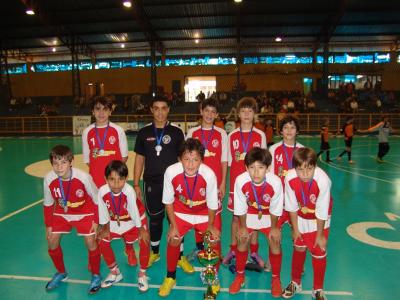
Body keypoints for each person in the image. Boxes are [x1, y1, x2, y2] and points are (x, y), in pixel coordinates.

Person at [133, 96, 193, 272]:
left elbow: (181, 159)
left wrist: (185, 183)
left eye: (163, 108)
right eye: (156, 108)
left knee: (177, 220)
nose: (160, 112)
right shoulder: (144, 133)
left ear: (168, 110)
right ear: (151, 110)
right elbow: (139, 158)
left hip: (174, 184)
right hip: (152, 181)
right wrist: (136, 184)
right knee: (155, 219)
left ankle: (180, 256)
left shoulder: (176, 132)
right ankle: (155, 252)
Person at [158, 138, 220, 297]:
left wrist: (211, 226)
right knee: (173, 238)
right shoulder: (171, 172)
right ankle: (170, 277)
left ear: (201, 160)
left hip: (205, 213)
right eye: (187, 159)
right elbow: (168, 202)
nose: (191, 164)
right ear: (180, 159)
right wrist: (173, 225)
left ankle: (213, 277)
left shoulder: (209, 174)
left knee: (213, 240)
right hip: (181, 212)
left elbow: (213, 204)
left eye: (195, 160)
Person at [43, 145, 101, 294]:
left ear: (71, 162)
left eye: (63, 162)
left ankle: (96, 275)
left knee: (90, 240)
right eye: (55, 163)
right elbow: (49, 204)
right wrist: (48, 225)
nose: (59, 167)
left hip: (85, 212)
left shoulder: (83, 177)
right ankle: (61, 272)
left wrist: (96, 221)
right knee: (51, 240)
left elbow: (96, 199)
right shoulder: (49, 178)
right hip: (62, 213)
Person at [229, 147, 283, 297]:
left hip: (269, 215)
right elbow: (240, 208)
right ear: (246, 168)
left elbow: (276, 208)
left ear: (268, 168)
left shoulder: (276, 182)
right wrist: (243, 227)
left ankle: (276, 279)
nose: (256, 172)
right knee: (242, 239)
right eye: (252, 167)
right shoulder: (240, 180)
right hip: (250, 213)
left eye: (261, 167)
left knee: (275, 240)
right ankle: (240, 276)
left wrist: (274, 228)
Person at [282, 148, 333, 300]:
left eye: (309, 169)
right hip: (300, 216)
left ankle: (318, 289)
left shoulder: (323, 180)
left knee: (319, 250)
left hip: (319, 219)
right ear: (294, 168)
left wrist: (320, 235)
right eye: (300, 170)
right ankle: (295, 282)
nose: (305, 174)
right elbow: (291, 206)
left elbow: (322, 211)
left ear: (315, 166)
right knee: (298, 247)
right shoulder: (290, 177)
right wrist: (295, 229)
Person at [223, 97, 267, 268]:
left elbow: (265, 162)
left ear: (254, 114)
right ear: (238, 114)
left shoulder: (260, 135)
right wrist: (225, 184)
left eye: (250, 111)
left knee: (254, 218)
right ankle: (233, 249)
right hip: (236, 185)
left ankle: (254, 252)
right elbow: (227, 161)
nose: (247, 114)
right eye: (243, 111)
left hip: (255, 184)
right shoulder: (232, 135)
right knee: (236, 218)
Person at [97, 160, 150, 292]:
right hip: (115, 220)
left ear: (126, 179)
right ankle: (115, 272)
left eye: (120, 179)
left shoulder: (129, 191)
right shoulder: (102, 191)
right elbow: (103, 211)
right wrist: (105, 228)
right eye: (112, 179)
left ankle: (142, 273)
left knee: (144, 240)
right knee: (102, 241)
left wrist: (141, 230)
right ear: (105, 179)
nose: (116, 184)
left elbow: (133, 211)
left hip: (135, 220)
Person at [186, 98, 228, 265]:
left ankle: (217, 249)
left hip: (215, 185)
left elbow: (224, 160)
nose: (209, 114)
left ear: (217, 114)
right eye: (207, 110)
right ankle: (200, 248)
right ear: (201, 111)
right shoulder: (192, 133)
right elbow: (186, 159)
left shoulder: (221, 133)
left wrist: (223, 182)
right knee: (198, 215)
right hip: (196, 184)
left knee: (215, 216)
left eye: (213, 111)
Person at [82, 95, 128, 188]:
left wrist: (114, 173)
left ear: (110, 112)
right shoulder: (87, 132)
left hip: (115, 179)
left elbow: (124, 157)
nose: (101, 112)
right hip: (95, 179)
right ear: (93, 111)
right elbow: (87, 160)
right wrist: (98, 170)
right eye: (98, 109)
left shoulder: (118, 130)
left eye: (105, 109)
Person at [269, 115, 304, 226]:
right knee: (275, 235)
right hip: (278, 198)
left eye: (292, 127)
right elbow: (270, 174)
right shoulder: (273, 149)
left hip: (296, 198)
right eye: (285, 127)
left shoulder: (302, 150)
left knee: (297, 232)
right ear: (281, 131)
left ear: (297, 131)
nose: (289, 130)